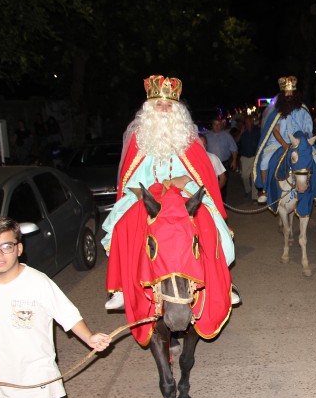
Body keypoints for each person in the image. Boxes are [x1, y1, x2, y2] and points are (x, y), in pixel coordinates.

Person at [0, 216, 111, 398]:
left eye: (6, 246)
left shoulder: (37, 282)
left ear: (19, 248)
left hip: (39, 387)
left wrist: (90, 337)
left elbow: (68, 315)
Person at [102, 74, 238, 310]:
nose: (164, 110)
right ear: (149, 109)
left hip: (183, 194)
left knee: (209, 223)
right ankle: (122, 287)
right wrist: (149, 192)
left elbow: (200, 176)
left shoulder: (189, 140)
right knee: (122, 225)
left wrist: (181, 181)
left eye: (169, 105)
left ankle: (223, 282)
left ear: (177, 111)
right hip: (148, 198)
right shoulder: (139, 140)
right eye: (159, 105)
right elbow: (130, 181)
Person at [253, 76, 316, 207]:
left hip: (301, 143)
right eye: (287, 92)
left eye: (291, 92)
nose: (289, 94)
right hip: (279, 141)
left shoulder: (303, 110)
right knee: (264, 161)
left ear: (295, 93)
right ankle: (265, 191)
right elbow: (275, 131)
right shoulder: (278, 111)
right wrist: (285, 145)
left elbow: (308, 129)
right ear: (282, 93)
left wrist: (302, 143)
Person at [204, 117, 238, 201]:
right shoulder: (207, 136)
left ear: (221, 125)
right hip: (211, 164)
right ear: (212, 125)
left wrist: (234, 160)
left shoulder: (227, 136)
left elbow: (234, 149)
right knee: (212, 182)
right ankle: (213, 199)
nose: (217, 126)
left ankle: (222, 201)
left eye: (219, 125)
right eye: (215, 124)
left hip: (224, 163)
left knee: (223, 182)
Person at [235, 115, 260, 200]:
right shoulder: (243, 132)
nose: (248, 123)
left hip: (254, 157)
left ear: (252, 122)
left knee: (254, 176)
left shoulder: (257, 130)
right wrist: (241, 132)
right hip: (244, 157)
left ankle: (254, 197)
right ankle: (248, 190)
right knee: (244, 176)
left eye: (249, 121)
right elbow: (236, 141)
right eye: (246, 122)